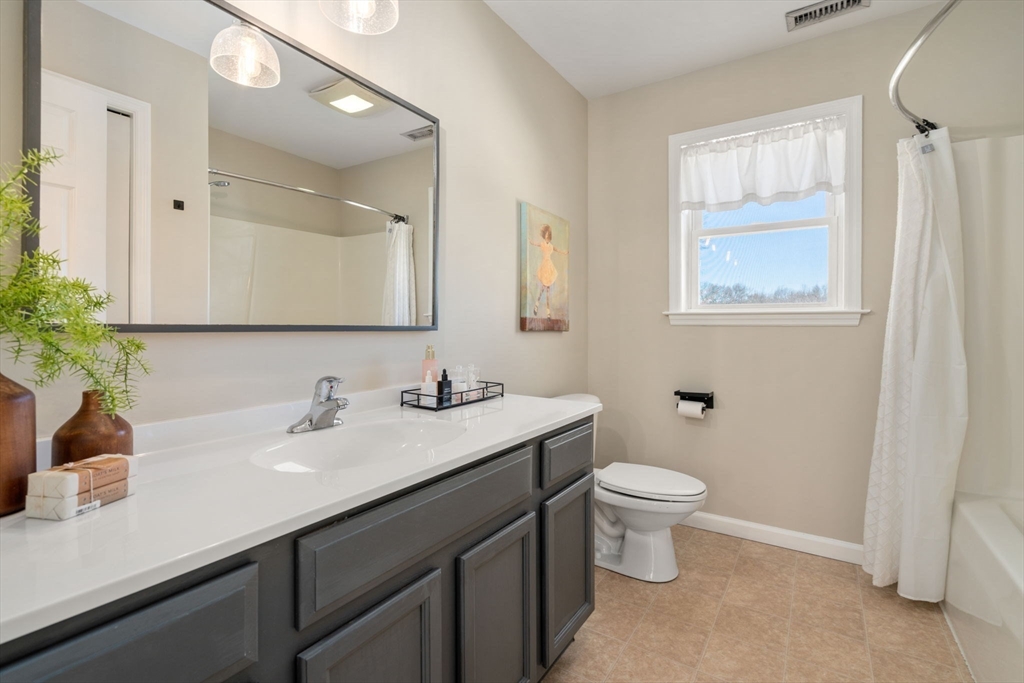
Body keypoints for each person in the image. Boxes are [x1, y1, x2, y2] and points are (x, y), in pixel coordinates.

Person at [529, 224, 568, 319]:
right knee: (544, 289)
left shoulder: (551, 246)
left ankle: (542, 308)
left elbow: (558, 250)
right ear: (544, 234)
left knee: (546, 290)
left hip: (549, 268)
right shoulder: (542, 244)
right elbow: (535, 243)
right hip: (544, 267)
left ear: (549, 234)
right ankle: (545, 310)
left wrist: (565, 252)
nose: (546, 236)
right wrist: (530, 241)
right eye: (545, 234)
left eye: (548, 234)